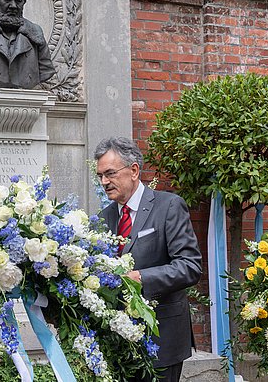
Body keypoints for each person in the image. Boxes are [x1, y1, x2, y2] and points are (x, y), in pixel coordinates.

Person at [94, 137, 202, 382]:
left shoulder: (169, 206)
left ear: (133, 170)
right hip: (119, 345)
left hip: (162, 340)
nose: (104, 182)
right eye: (100, 175)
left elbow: (190, 266)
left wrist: (140, 277)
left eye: (110, 173)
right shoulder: (103, 218)